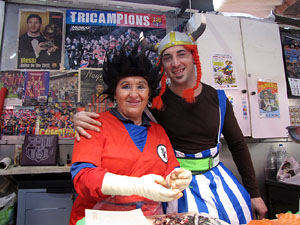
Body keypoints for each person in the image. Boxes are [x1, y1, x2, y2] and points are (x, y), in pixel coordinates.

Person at [73, 18, 268, 224]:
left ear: (194, 57)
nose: (175, 63)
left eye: (181, 54)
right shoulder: (144, 110)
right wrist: (77, 118)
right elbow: (85, 174)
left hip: (185, 195)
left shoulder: (162, 127)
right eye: (167, 58)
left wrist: (254, 193)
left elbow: (236, 146)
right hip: (111, 214)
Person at [69, 42, 192, 225]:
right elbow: (84, 178)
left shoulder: (158, 131)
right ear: (115, 93)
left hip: (148, 220)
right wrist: (137, 186)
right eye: (126, 86)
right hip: (98, 219)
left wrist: (177, 178)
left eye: (141, 87)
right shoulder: (93, 124)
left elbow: (170, 169)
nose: (134, 94)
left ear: (149, 93)